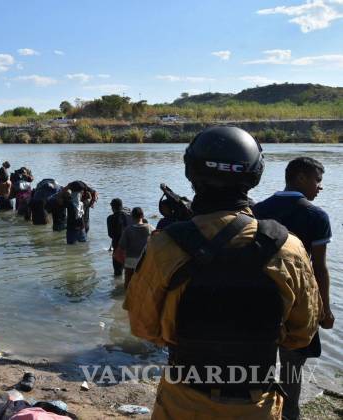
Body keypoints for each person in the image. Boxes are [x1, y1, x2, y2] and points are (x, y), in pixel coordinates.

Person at [124, 126, 321, 419]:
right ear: (255, 174)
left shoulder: (165, 246)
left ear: (191, 172)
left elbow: (144, 327)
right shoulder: (289, 248)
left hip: (183, 401)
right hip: (256, 405)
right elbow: (302, 334)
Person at [253, 156, 334, 420]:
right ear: (300, 177)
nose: (320, 186)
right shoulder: (316, 216)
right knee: (292, 369)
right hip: (298, 303)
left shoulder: (258, 210)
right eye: (317, 180)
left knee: (258, 365)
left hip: (259, 300)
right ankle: (289, 415)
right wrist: (325, 310)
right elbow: (319, 268)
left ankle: (258, 412)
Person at [118, 207, 151, 289]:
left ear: (132, 217)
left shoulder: (128, 229)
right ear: (142, 216)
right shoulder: (150, 228)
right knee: (144, 284)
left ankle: (126, 295)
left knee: (128, 282)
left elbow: (121, 246)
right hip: (144, 260)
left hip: (130, 259)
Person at [106, 198, 131, 276]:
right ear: (121, 206)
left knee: (117, 273)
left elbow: (111, 234)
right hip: (130, 249)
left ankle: (117, 283)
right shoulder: (129, 216)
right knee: (129, 273)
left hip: (117, 248)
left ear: (112, 207)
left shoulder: (110, 218)